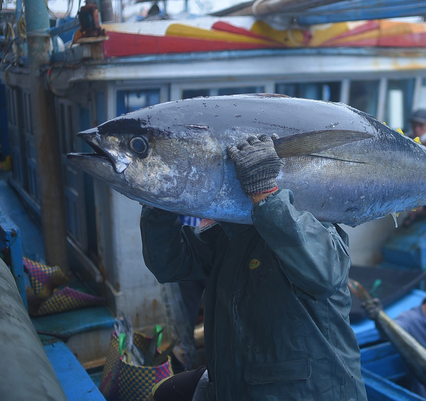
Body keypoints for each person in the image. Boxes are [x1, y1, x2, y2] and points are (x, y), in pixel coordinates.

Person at [141, 134, 367, 400]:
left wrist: (265, 194)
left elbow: (325, 275)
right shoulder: (231, 234)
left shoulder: (320, 223)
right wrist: (160, 200)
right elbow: (169, 263)